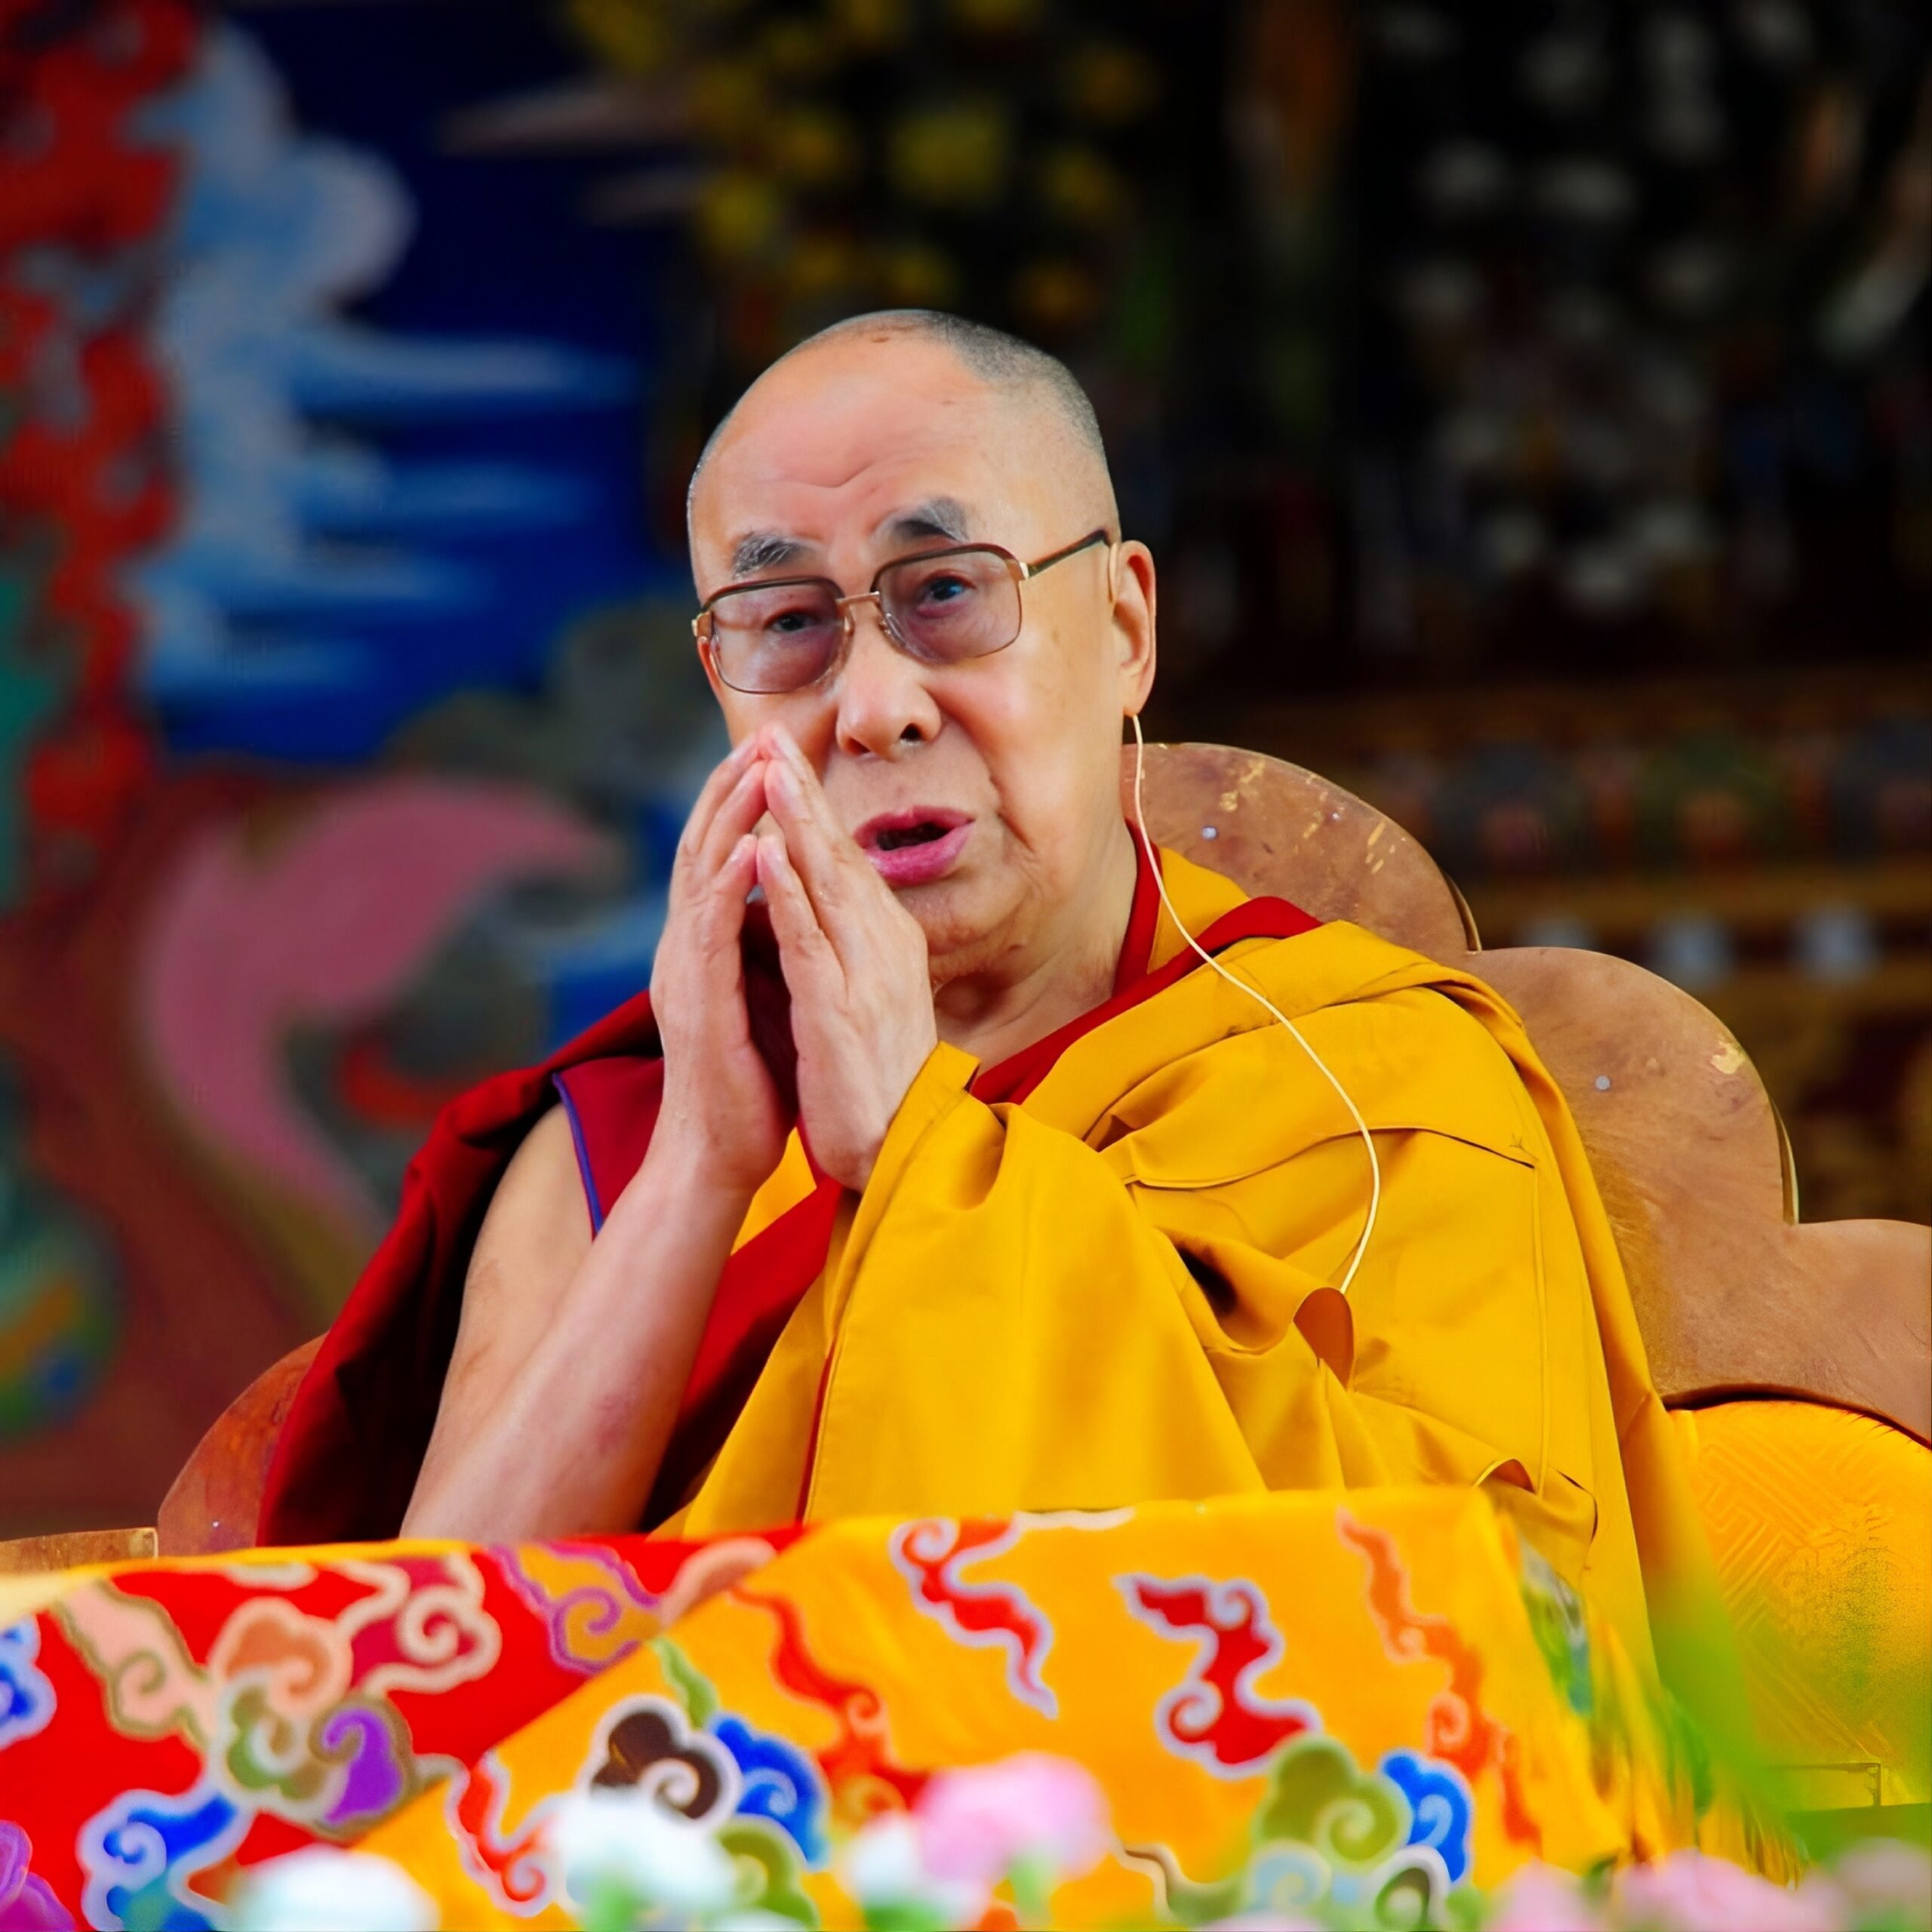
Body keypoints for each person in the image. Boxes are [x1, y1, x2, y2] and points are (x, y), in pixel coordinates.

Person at [257, 309, 1718, 1699]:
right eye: (785, 623)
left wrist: (919, 1153)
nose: (877, 705)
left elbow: (1498, 1645)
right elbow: (413, 1683)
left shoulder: (1375, 1080)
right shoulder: (634, 1137)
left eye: (945, 592)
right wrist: (700, 1172)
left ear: (1127, 626)